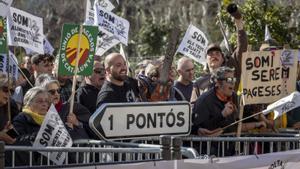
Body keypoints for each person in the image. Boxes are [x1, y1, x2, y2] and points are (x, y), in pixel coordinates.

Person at [190, 12, 247, 104]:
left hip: (230, 118)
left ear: (223, 58)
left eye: (217, 53)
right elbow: (193, 107)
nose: (214, 55)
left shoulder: (231, 72)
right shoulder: (199, 83)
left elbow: (241, 49)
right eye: (210, 54)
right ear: (206, 60)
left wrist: (239, 26)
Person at [35, 74, 91, 140]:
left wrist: (77, 123)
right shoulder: (35, 113)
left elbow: (90, 131)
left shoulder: (72, 108)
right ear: (41, 93)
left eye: (58, 91)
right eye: (52, 92)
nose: (56, 94)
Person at [0, 73, 19, 144]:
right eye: (5, 90)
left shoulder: (11, 105)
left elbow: (14, 139)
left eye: (12, 91)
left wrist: (11, 131)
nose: (9, 94)